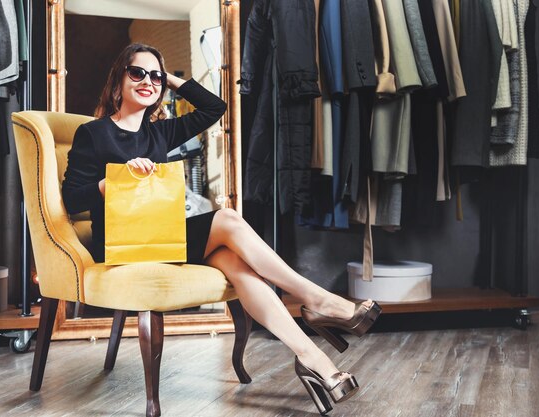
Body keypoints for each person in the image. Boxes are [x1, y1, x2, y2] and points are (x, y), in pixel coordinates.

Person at [61, 43, 381, 413]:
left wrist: (172, 80)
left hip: (164, 236)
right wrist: (114, 180)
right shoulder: (93, 133)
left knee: (237, 265)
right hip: (120, 243)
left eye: (155, 76)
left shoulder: (161, 133)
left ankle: (314, 360)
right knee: (227, 218)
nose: (147, 81)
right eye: (137, 73)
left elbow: (216, 107)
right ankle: (318, 301)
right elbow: (71, 200)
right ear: (118, 80)